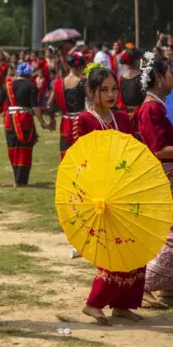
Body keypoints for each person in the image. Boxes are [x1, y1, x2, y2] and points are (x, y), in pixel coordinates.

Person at [73, 65, 145, 325]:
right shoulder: (85, 120)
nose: (111, 94)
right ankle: (94, 303)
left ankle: (123, 305)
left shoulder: (123, 119)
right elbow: (80, 160)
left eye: (114, 88)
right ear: (92, 92)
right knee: (113, 250)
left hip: (125, 190)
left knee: (135, 247)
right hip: (101, 195)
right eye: (104, 89)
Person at [135, 53, 173, 307]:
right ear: (159, 77)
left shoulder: (157, 105)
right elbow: (157, 149)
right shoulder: (150, 108)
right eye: (171, 71)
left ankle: (167, 287)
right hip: (166, 174)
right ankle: (144, 284)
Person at [0, 62, 45, 187]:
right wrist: (42, 122)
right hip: (24, 119)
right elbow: (35, 107)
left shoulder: (7, 86)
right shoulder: (31, 86)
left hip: (10, 120)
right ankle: (21, 180)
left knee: (12, 148)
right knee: (24, 150)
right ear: (29, 74)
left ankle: (17, 177)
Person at [47, 54, 87, 159]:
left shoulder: (58, 83)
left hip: (65, 123)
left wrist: (52, 120)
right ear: (80, 67)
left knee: (66, 157)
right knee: (81, 157)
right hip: (80, 123)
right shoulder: (83, 82)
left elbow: (49, 105)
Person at [116, 48, 146, 140]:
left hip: (124, 117)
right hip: (139, 118)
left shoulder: (120, 79)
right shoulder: (142, 79)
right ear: (137, 61)